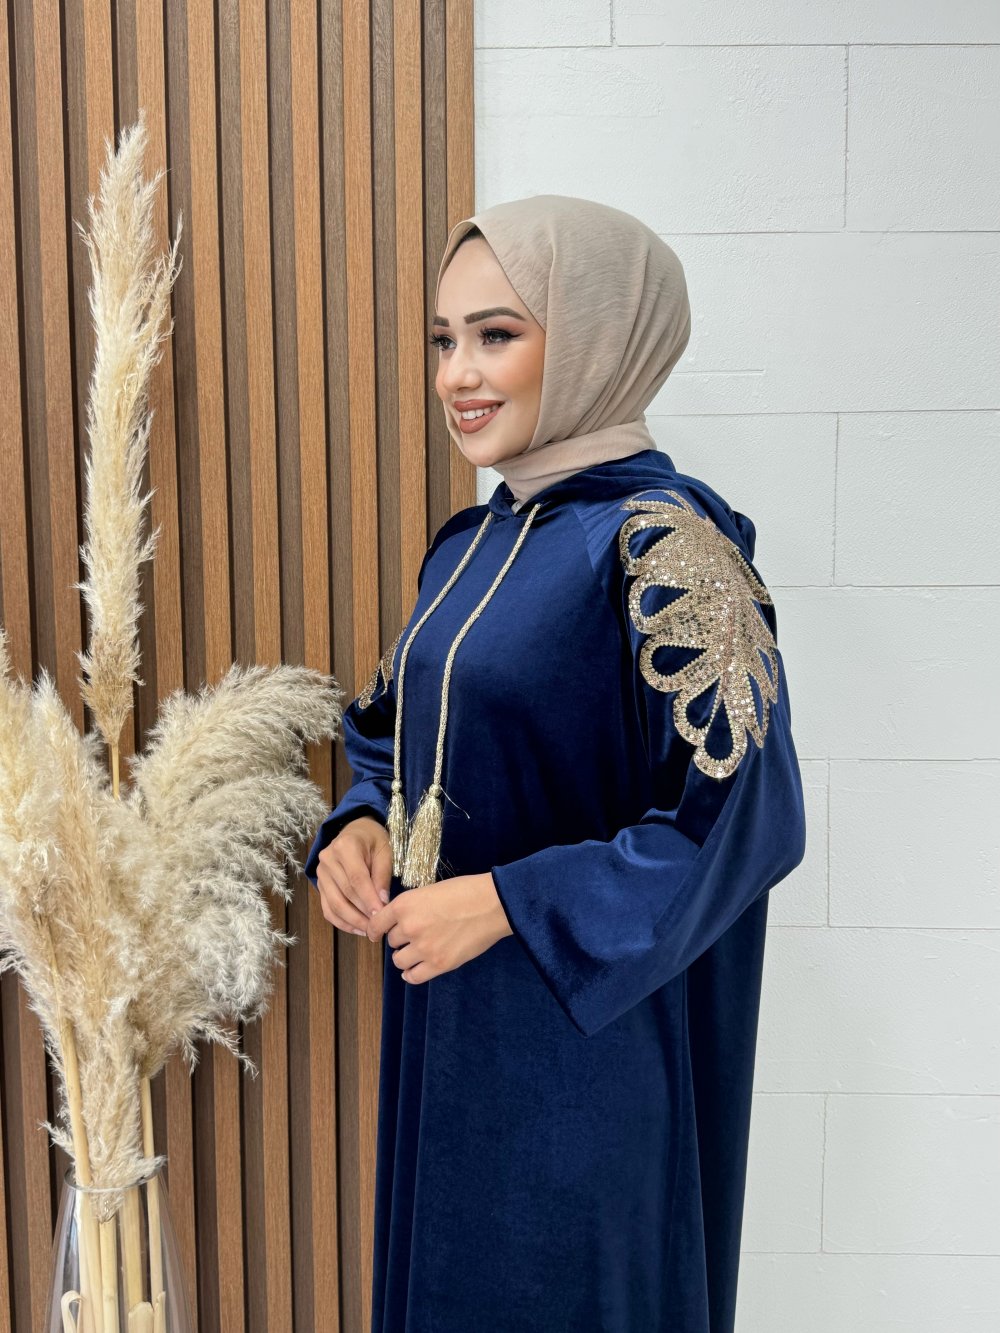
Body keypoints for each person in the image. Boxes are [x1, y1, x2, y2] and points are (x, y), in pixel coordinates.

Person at [304, 194, 807, 1333]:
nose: (458, 374)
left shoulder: (662, 547)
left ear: (592, 336)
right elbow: (398, 726)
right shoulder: (471, 543)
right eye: (444, 339)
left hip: (582, 1065)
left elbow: (743, 817)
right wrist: (361, 820)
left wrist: (503, 904)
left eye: (497, 334)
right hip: (449, 1041)